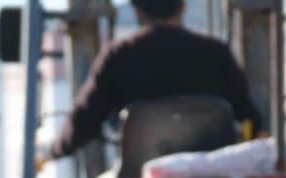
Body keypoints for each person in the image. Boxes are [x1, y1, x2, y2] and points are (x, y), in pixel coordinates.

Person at [47, 0, 265, 164]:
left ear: (136, 9)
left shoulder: (119, 56)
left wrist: (53, 152)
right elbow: (250, 120)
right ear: (182, 6)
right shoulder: (217, 54)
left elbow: (84, 122)